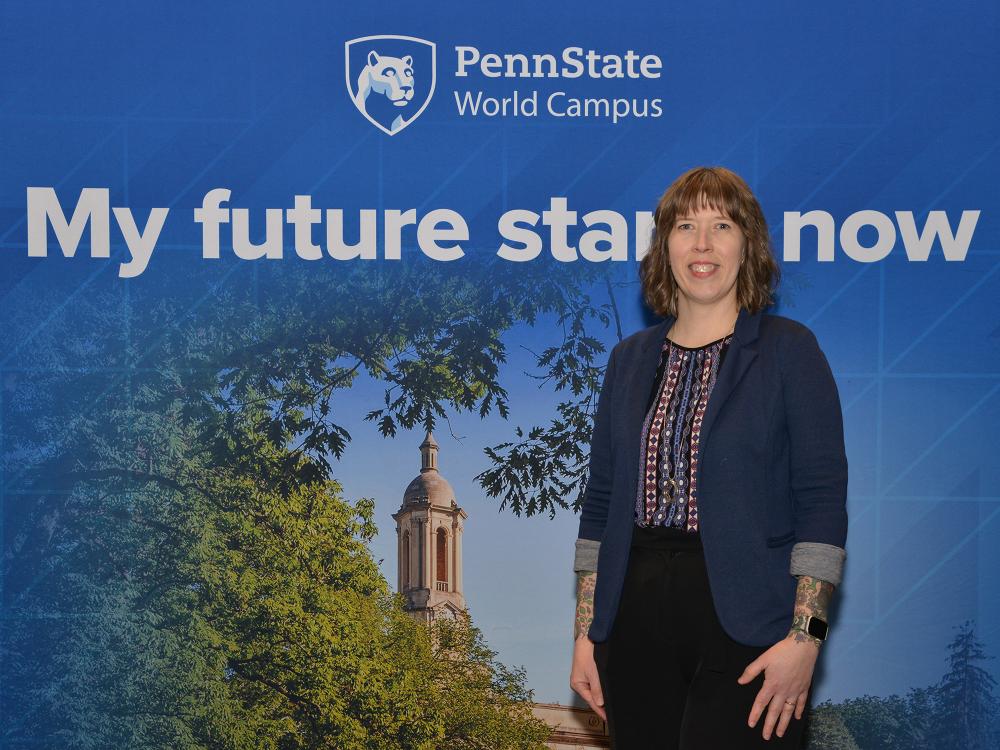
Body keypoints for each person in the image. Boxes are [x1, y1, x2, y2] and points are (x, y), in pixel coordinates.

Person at [569, 166, 848, 749]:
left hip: (750, 623)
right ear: (663, 247)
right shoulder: (628, 360)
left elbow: (822, 509)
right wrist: (587, 635)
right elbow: (599, 508)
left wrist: (807, 639)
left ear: (748, 245)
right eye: (685, 225)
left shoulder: (789, 351)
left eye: (721, 225)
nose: (702, 244)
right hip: (633, 617)